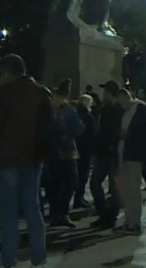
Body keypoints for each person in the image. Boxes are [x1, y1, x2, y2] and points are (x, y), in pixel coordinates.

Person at [0, 54, 52, 268]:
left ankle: (8, 261)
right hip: (33, 157)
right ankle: (39, 260)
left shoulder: (2, 95)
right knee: (33, 209)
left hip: (7, 159)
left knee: (8, 214)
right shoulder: (41, 93)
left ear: (6, 72)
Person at [47, 79, 84, 228]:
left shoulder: (51, 109)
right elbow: (79, 128)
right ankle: (62, 213)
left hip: (53, 152)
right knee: (70, 183)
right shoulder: (70, 110)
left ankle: (55, 213)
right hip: (68, 151)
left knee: (55, 185)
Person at [115, 88, 146, 234]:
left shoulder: (141, 109)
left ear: (127, 97)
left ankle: (135, 221)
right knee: (126, 189)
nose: (121, 106)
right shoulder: (125, 112)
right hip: (124, 153)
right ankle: (128, 220)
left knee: (134, 189)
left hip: (134, 154)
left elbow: (145, 131)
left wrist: (128, 134)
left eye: (122, 102)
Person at [89, 82, 122, 229]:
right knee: (96, 183)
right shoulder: (105, 109)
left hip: (111, 152)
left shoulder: (117, 110)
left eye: (106, 92)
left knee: (113, 186)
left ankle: (110, 215)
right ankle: (104, 213)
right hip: (103, 151)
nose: (103, 95)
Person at [73, 94, 96, 209]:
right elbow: (91, 133)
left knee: (80, 174)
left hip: (78, 147)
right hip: (86, 149)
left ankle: (79, 197)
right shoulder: (87, 116)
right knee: (83, 174)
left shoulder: (77, 114)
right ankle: (79, 198)